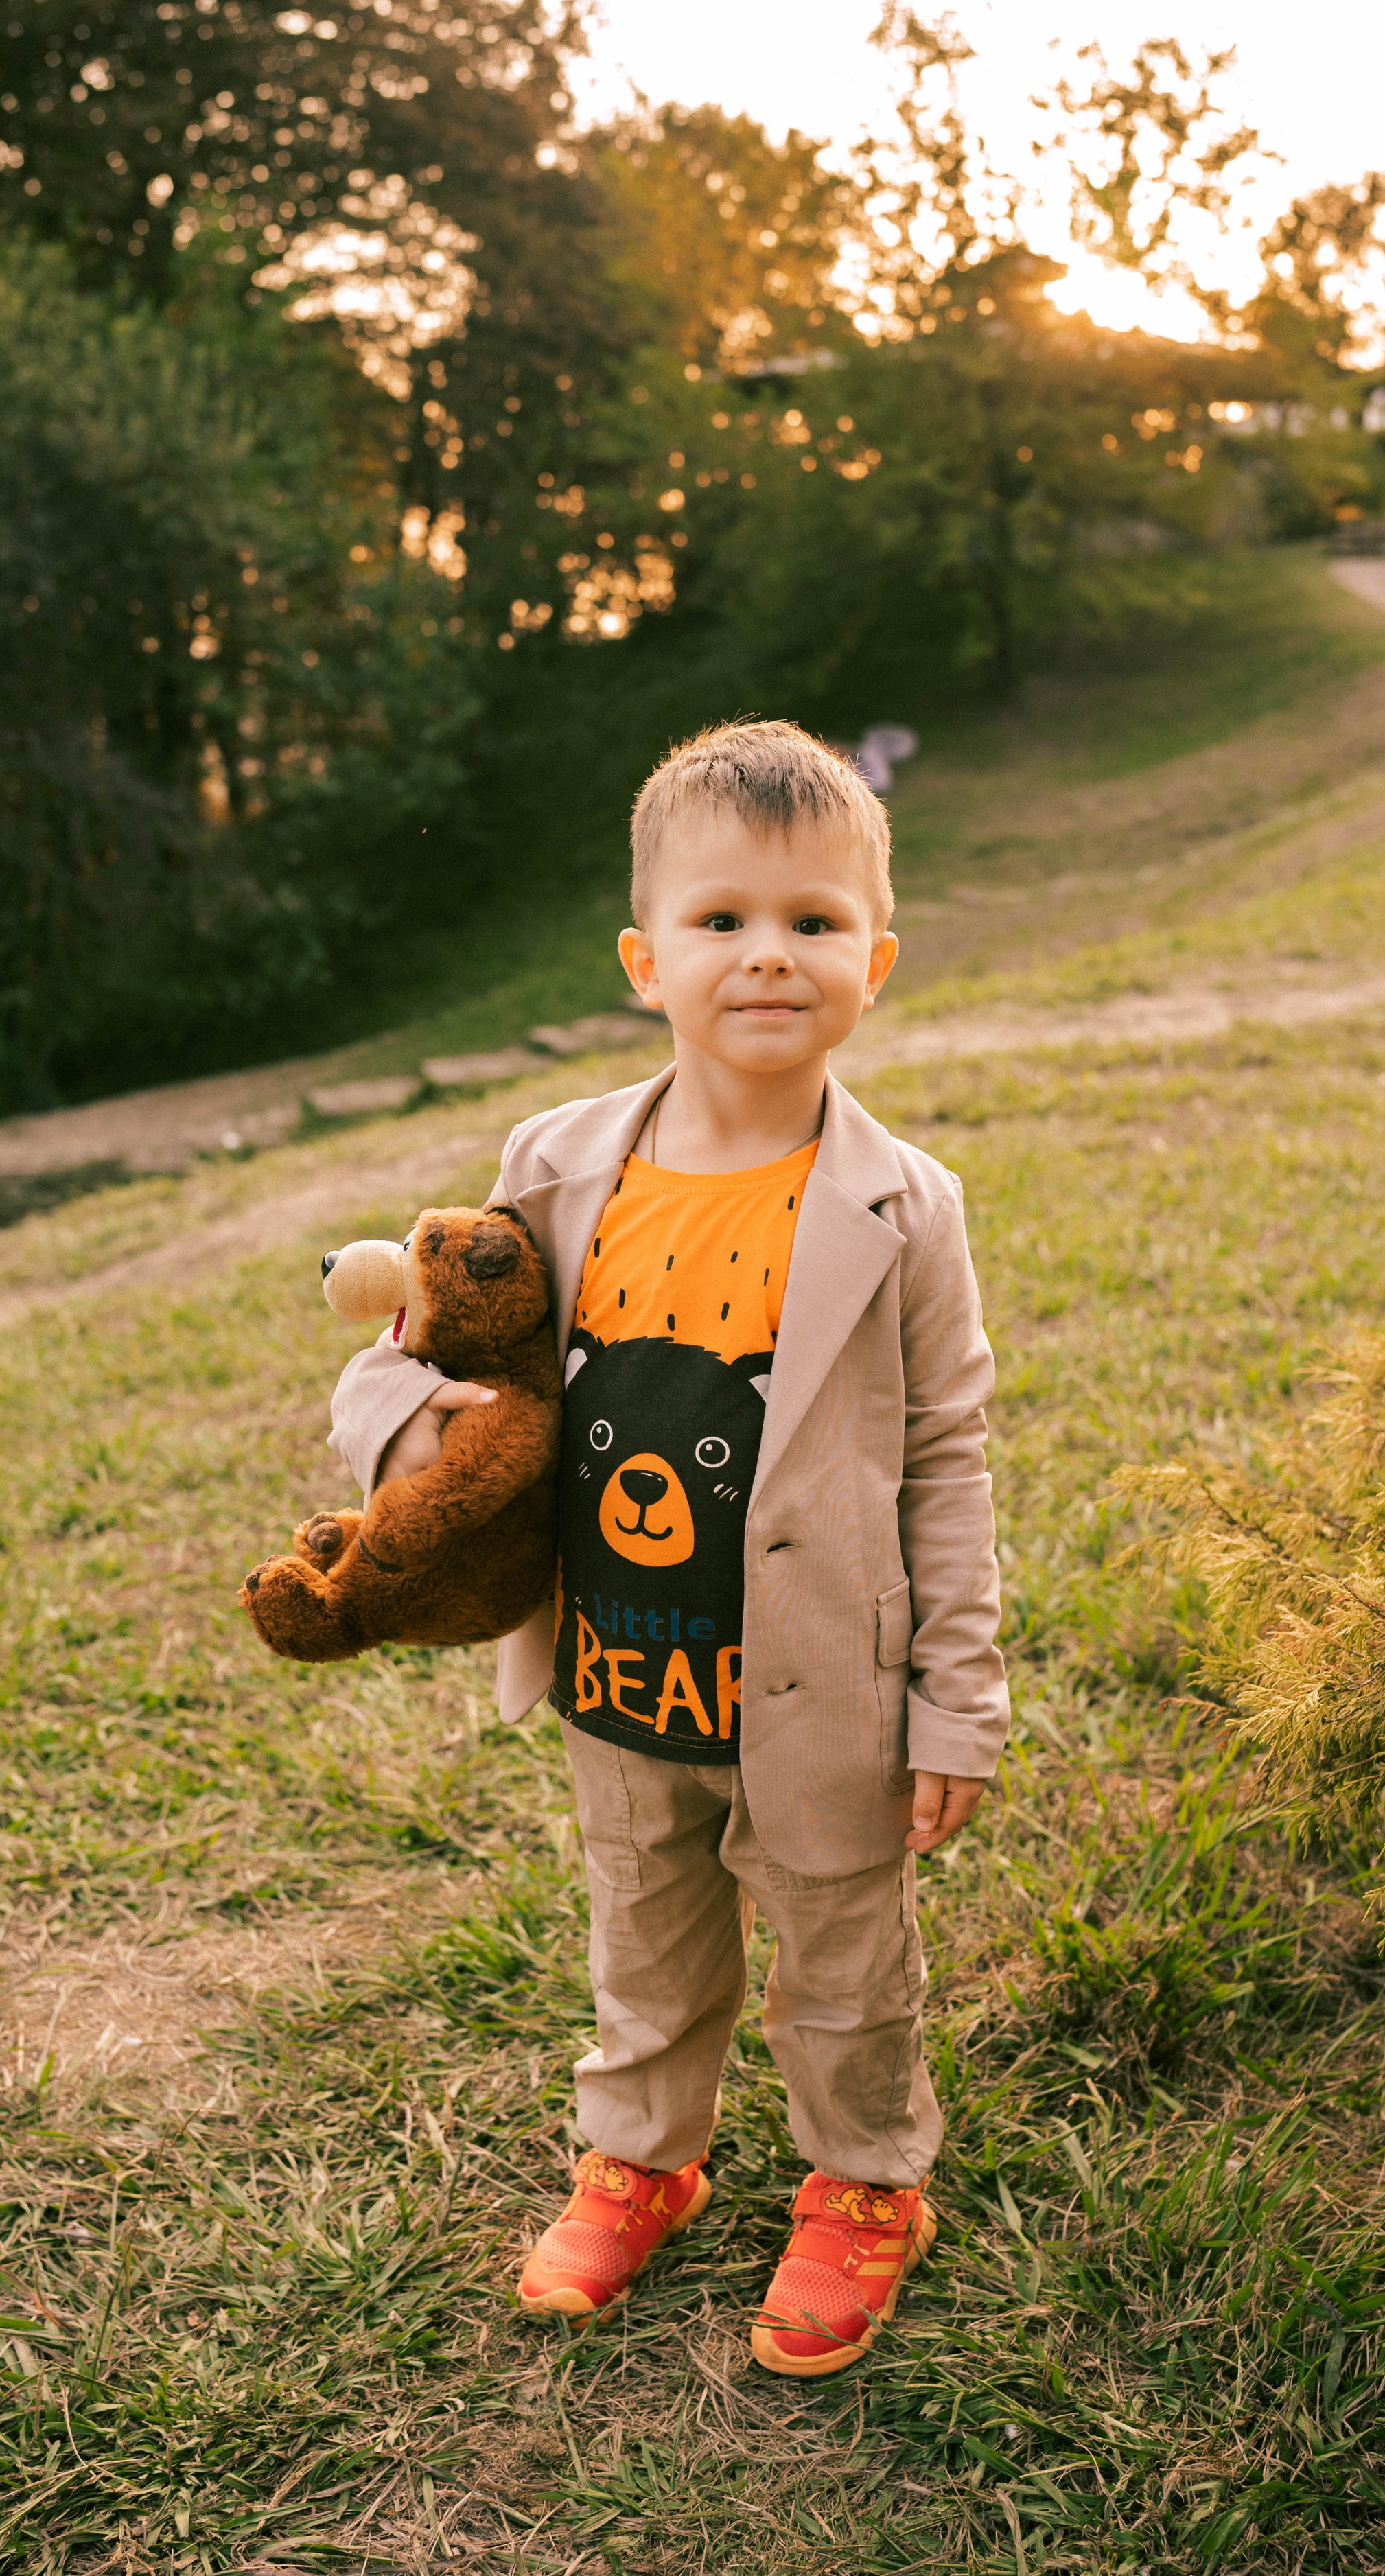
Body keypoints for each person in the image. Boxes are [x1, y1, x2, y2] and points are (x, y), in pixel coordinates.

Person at [327, 719, 1006, 2377]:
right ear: (644, 957)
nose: (766, 955)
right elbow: (427, 1361)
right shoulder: (554, 1166)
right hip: (613, 1662)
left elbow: (943, 1452)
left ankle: (861, 2185)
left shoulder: (901, 1205)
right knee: (643, 1933)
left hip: (822, 1686)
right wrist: (406, 1446)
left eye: (810, 920)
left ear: (875, 957)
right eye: (719, 920)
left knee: (844, 1957)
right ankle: (640, 2152)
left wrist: (956, 1699)